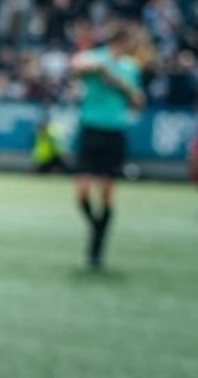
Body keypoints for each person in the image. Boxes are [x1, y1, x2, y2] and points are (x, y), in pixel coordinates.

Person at [69, 26, 144, 270]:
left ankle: (96, 250)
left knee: (107, 192)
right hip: (91, 129)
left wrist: (121, 85)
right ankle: (97, 227)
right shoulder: (96, 57)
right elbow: (76, 65)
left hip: (114, 132)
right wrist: (100, 68)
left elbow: (137, 102)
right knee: (81, 192)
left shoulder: (130, 67)